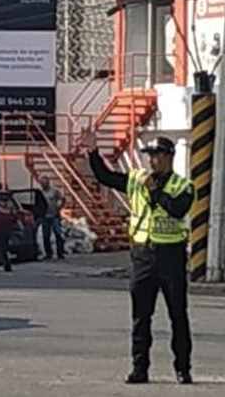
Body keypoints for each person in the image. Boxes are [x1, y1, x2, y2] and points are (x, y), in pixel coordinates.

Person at [79, 128, 195, 385]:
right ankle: (139, 368)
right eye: (149, 155)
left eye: (157, 155)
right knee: (141, 317)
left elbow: (176, 211)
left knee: (178, 315)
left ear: (169, 157)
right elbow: (106, 177)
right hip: (143, 256)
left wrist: (155, 191)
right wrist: (92, 151)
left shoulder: (183, 186)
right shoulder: (136, 179)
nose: (152, 160)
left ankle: (183, 368)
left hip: (172, 256)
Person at [38, 179, 66, 259]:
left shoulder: (54, 191)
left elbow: (62, 199)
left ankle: (60, 253)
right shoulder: (40, 192)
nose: (43, 185)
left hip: (54, 216)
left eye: (45, 183)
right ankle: (48, 253)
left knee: (58, 234)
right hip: (45, 216)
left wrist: (59, 208)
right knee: (46, 235)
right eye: (42, 184)